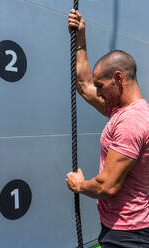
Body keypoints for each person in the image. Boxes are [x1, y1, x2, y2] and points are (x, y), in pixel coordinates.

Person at [66, 9, 149, 248]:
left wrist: (79, 184)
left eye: (101, 86)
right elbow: (83, 86)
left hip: (129, 234)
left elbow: (107, 185)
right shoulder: (119, 110)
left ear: (119, 78)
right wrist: (81, 36)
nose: (98, 93)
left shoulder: (132, 121)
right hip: (120, 227)